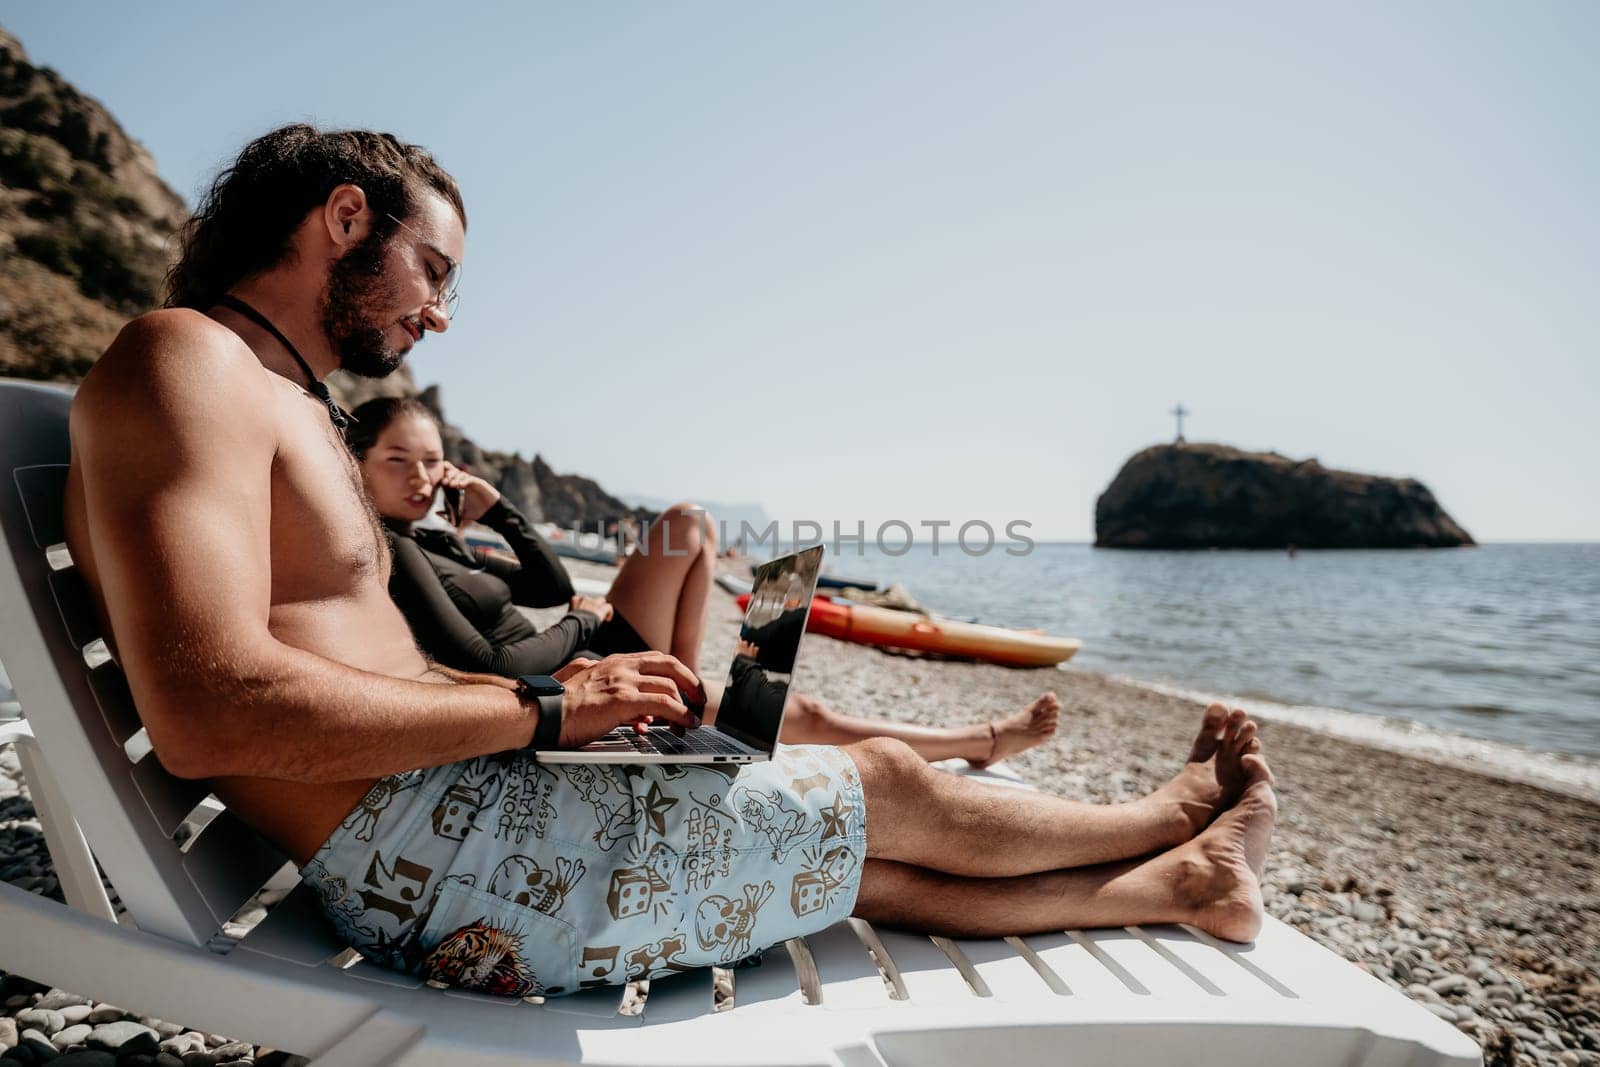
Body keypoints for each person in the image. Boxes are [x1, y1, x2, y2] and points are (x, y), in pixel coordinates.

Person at [62, 123, 1277, 1000]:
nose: (438, 313)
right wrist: (544, 707)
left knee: (844, 853)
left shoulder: (273, 399)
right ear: (342, 217)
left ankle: (1183, 883)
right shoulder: (187, 361)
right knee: (890, 783)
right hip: (455, 871)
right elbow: (207, 711)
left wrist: (567, 719)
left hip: (450, 834)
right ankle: (1162, 817)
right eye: (435, 270)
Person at [348, 395, 1062, 767]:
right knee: (793, 711)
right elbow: (492, 663)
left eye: (432, 461)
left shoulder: (429, 537)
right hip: (559, 680)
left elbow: (546, 583)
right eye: (396, 461)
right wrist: (588, 623)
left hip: (579, 651)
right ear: (355, 464)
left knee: (688, 522)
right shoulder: (390, 549)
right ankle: (979, 738)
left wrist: (499, 510)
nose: (420, 477)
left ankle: (687, 696)